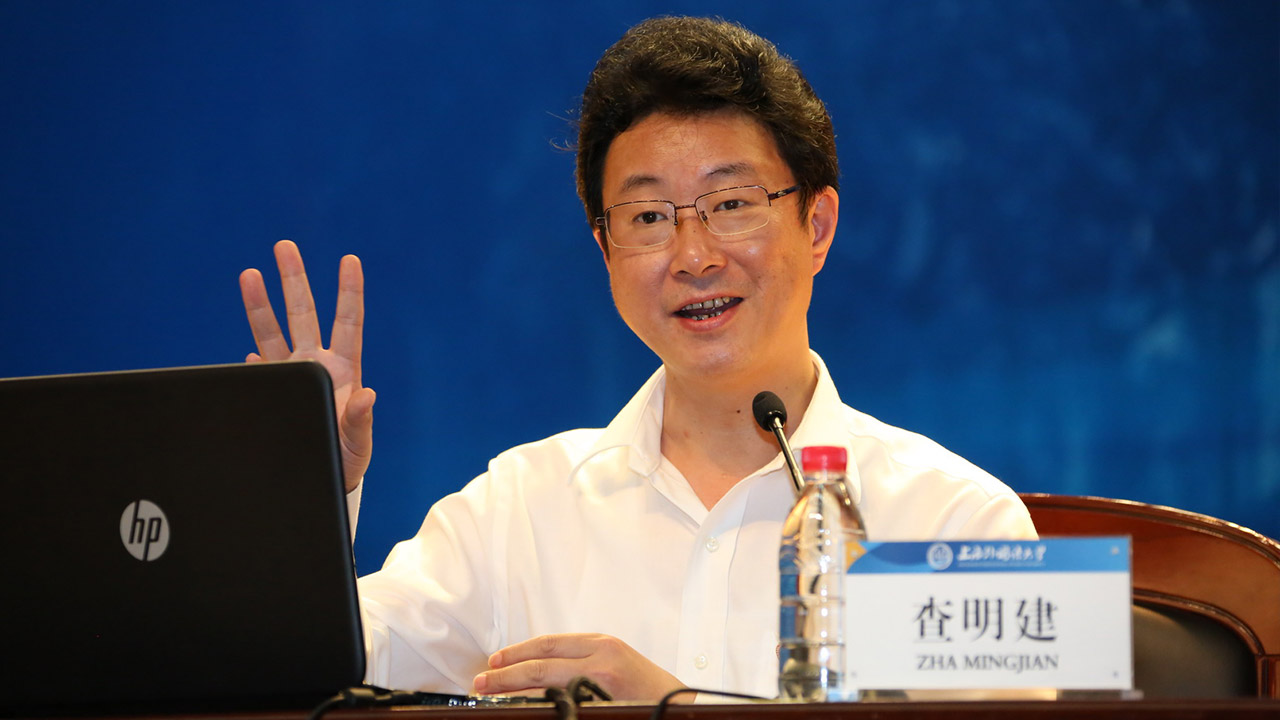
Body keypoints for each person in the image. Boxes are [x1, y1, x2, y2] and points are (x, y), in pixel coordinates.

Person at [238, 17, 1036, 702]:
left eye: (731, 204)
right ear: (606, 250)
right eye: (648, 217)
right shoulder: (520, 511)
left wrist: (672, 712)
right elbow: (298, 675)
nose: (693, 256)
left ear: (818, 226)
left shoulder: (954, 522)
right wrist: (296, 502)